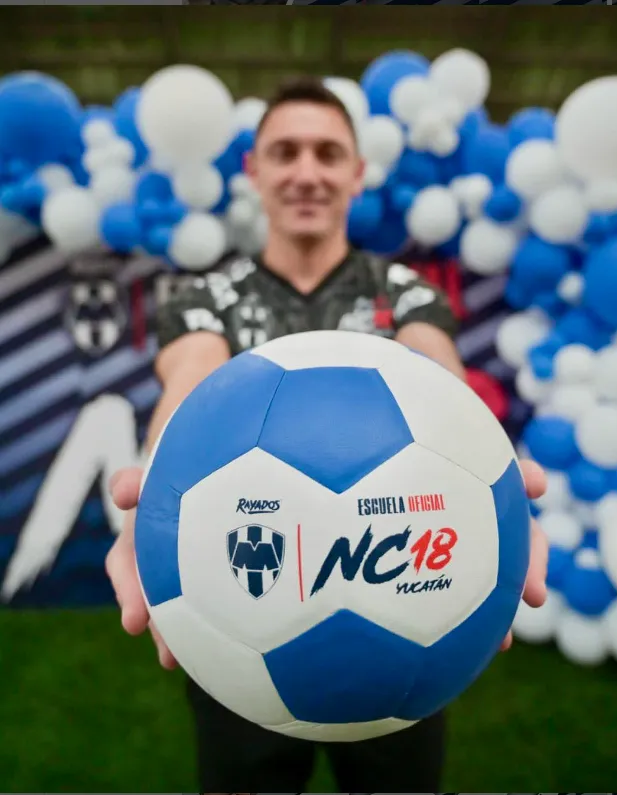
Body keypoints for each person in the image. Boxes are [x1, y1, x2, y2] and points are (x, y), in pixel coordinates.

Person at [106, 77, 548, 792]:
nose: (306, 171)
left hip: (408, 618)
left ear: (355, 171)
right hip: (238, 616)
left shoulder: (403, 290)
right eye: (284, 152)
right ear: (254, 172)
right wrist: (157, 495)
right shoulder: (206, 297)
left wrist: (497, 495)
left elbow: (444, 389)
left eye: (326, 152)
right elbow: (189, 381)